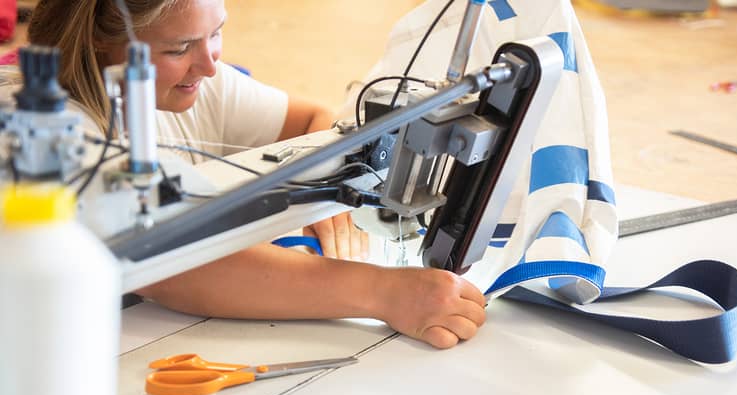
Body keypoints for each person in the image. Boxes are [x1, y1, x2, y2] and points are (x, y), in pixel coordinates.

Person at [24, 0, 486, 349]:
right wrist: (383, 292)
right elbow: (165, 266)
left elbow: (311, 122)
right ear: (99, 42)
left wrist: (324, 187)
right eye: (179, 46)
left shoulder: (195, 80)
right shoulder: (44, 135)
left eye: (216, 33)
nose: (209, 64)